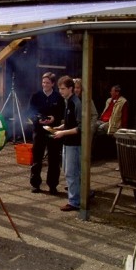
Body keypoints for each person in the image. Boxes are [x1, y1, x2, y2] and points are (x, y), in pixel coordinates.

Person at [27, 72, 65, 195]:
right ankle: (35, 184)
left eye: (47, 83)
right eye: (43, 82)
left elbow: (62, 114)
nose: (45, 85)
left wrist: (53, 118)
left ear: (53, 84)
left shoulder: (59, 97)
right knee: (37, 158)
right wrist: (37, 119)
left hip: (53, 130)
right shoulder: (36, 96)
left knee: (53, 159)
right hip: (39, 130)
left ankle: (53, 185)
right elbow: (29, 112)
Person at [53, 76, 82, 212]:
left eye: (63, 89)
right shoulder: (68, 102)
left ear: (71, 88)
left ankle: (74, 201)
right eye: (59, 89)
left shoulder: (76, 103)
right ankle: (78, 196)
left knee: (72, 172)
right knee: (69, 170)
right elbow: (71, 123)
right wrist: (61, 127)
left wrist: (63, 133)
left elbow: (80, 128)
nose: (61, 91)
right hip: (68, 142)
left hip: (74, 144)